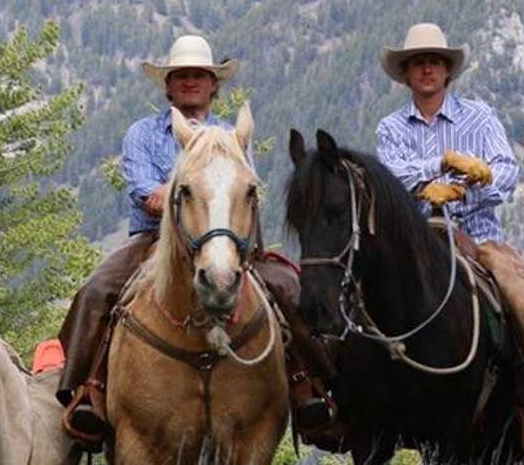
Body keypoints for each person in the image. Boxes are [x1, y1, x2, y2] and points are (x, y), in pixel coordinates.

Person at [54, 34, 335, 445]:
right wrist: (190, 193)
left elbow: (244, 191)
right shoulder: (141, 134)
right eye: (181, 75)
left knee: (288, 288)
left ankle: (309, 384)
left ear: (213, 84)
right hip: (154, 240)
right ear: (167, 85)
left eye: (199, 75)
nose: (190, 82)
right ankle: (86, 389)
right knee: (97, 291)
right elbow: (146, 193)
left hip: (226, 240)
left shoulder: (233, 137)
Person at [373, 22, 524, 456]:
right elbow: (392, 179)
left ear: (447, 70)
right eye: (418, 63)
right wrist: (443, 165)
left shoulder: (480, 116)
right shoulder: (390, 128)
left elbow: (505, 172)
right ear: (406, 73)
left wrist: (465, 190)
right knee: (360, 301)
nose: (427, 70)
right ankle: (357, 406)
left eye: (434, 62)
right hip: (415, 242)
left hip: (480, 237)